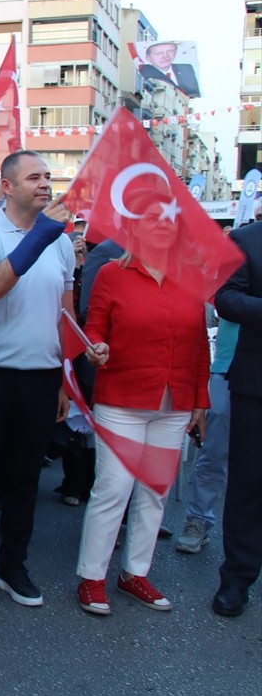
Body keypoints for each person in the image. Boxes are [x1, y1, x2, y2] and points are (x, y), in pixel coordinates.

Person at [0, 150, 76, 607]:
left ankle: (12, 566)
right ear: (7, 187)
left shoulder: (61, 241)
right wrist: (42, 236)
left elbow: (65, 313)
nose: (45, 184)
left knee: (25, 479)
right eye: (34, 177)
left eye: (48, 176)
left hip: (42, 376)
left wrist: (66, 376)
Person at [75, 197, 209, 614]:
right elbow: (94, 325)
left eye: (171, 220)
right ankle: (91, 577)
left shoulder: (190, 279)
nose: (163, 226)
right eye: (154, 218)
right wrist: (94, 347)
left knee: (154, 491)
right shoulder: (113, 274)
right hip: (122, 398)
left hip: (175, 401)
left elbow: (199, 344)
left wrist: (200, 402)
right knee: (113, 489)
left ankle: (134, 572)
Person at [211, 219, 262, 617]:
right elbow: (225, 297)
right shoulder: (247, 239)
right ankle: (237, 579)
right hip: (256, 384)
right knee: (247, 484)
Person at [174, 313, 237, 553]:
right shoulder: (235, 273)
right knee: (214, 451)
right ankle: (198, 518)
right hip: (229, 367)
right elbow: (226, 304)